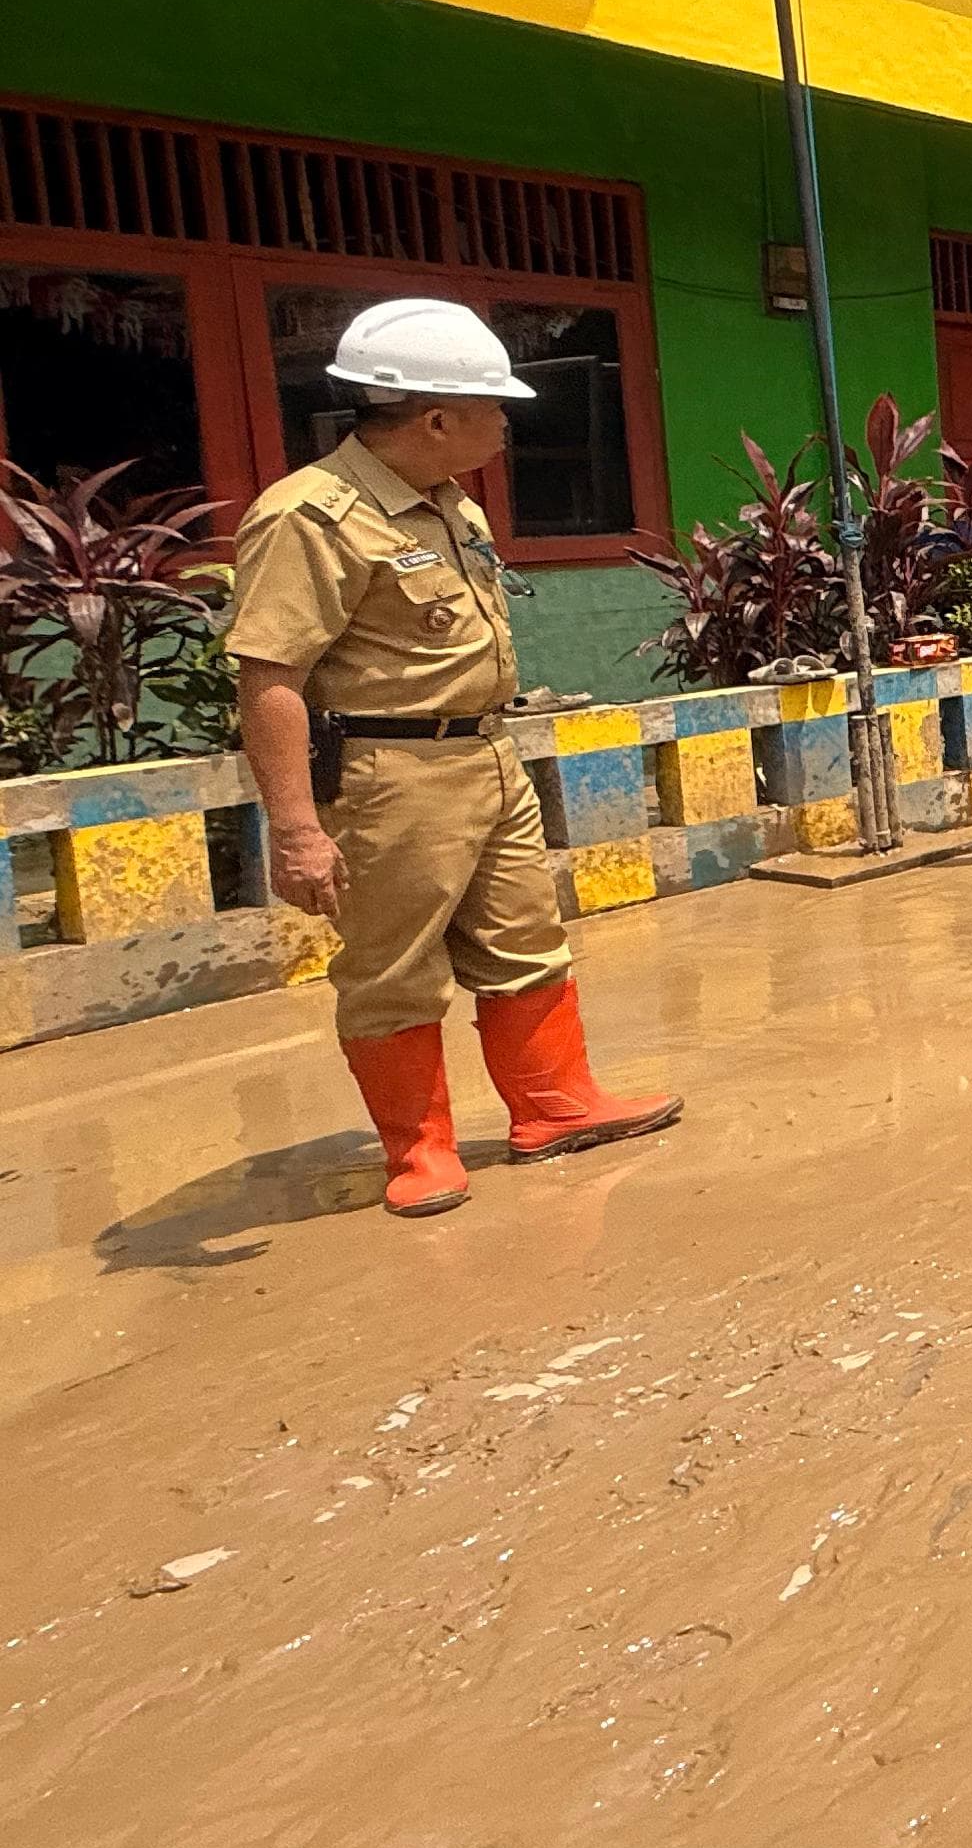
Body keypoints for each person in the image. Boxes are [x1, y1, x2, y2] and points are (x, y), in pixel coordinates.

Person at [226, 297, 679, 1221]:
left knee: (525, 938)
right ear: (436, 418)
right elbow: (269, 674)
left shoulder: (448, 503)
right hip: (389, 775)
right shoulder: (310, 518)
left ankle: (555, 1106)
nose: (505, 424)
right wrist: (298, 829)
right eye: (491, 408)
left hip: (484, 753)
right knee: (392, 966)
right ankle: (420, 1152)